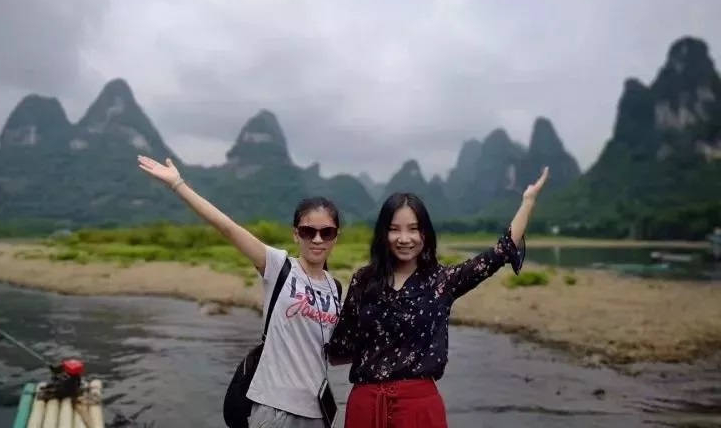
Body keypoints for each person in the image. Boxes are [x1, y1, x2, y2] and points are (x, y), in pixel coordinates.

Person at [327, 167, 550, 428]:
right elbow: (340, 348)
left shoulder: (442, 281)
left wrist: (528, 201)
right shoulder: (364, 281)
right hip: (366, 406)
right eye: (394, 229)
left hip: (419, 408)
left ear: (425, 234)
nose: (404, 238)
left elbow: (500, 253)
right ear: (382, 234)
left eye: (413, 229)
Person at [137, 155, 343, 428]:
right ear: (296, 234)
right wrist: (178, 184)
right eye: (308, 231)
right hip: (274, 408)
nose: (317, 239)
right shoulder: (279, 266)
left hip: (317, 413)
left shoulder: (334, 287)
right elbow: (228, 227)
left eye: (326, 233)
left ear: (336, 237)